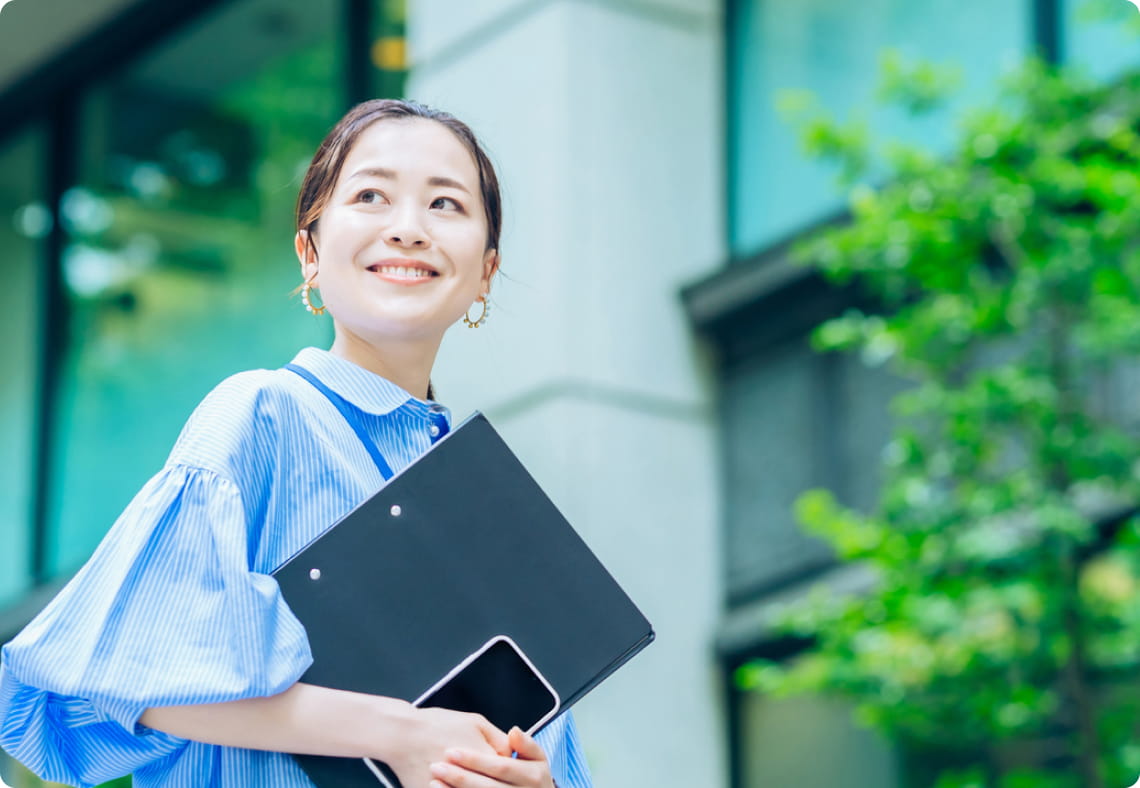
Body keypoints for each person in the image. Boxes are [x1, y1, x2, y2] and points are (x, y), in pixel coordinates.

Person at [0, 99, 593, 788]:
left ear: (486, 271)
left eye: (445, 204)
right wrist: (399, 734)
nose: (408, 229)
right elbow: (120, 676)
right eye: (370, 196)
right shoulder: (262, 416)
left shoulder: (495, 510)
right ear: (309, 253)